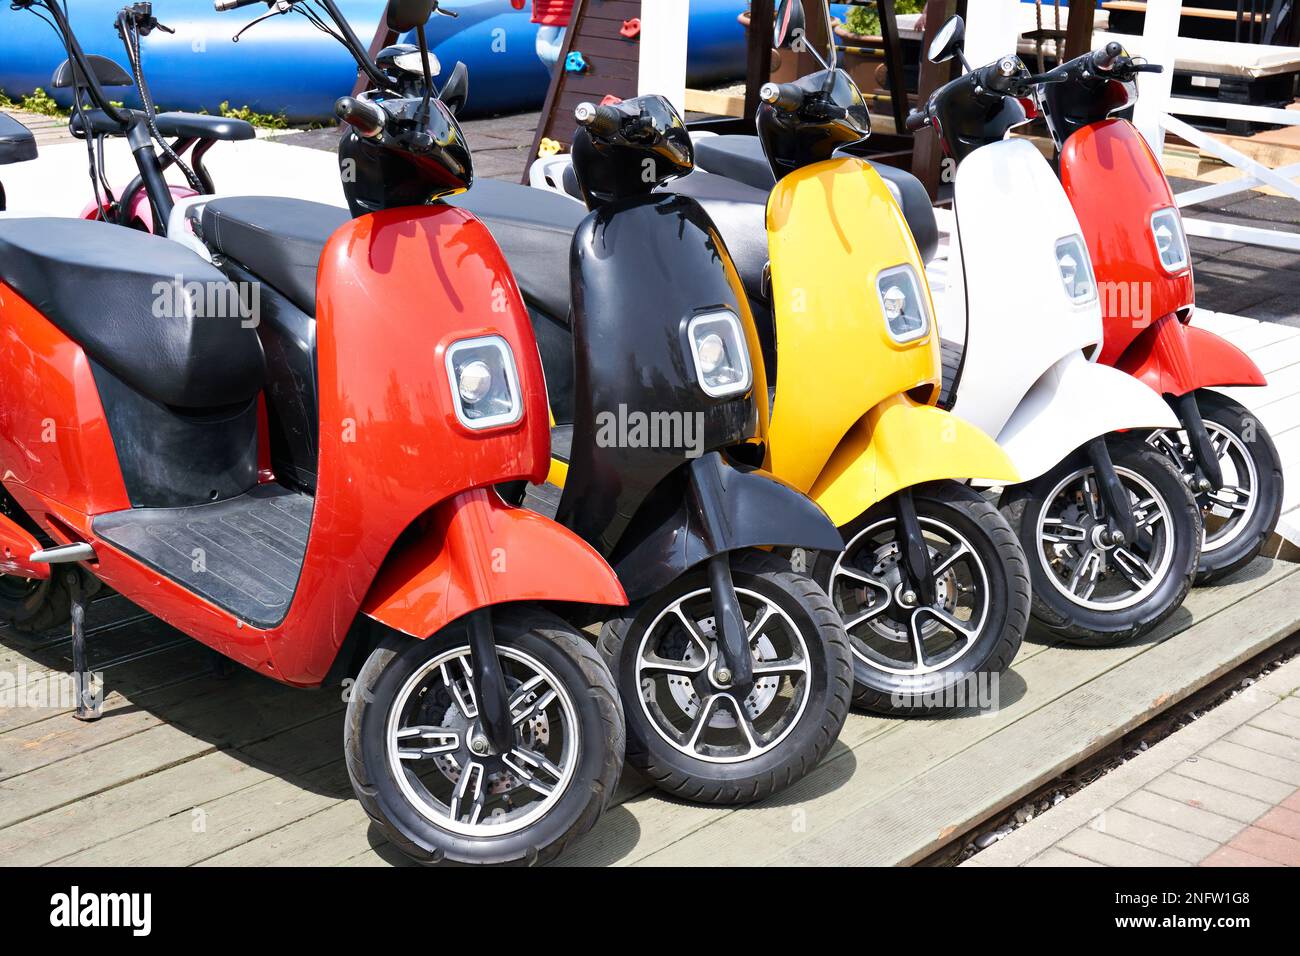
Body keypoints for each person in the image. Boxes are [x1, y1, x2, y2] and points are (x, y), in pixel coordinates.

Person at [512, 0, 573, 70]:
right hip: (546, 13)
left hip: (573, 14)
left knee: (559, 55)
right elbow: (518, 5)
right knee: (547, 55)